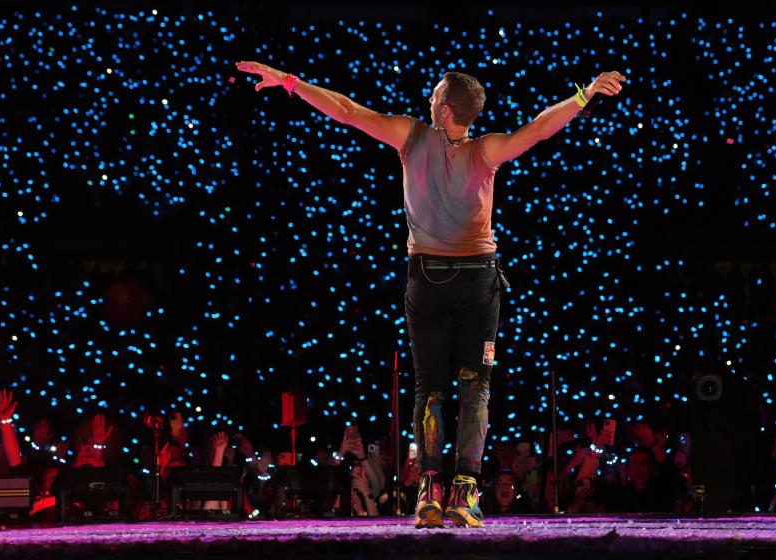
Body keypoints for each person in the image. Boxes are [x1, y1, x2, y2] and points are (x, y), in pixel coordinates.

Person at [237, 60, 626, 528]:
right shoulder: (487, 149)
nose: (428, 99)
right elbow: (540, 128)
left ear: (443, 109)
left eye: (434, 95)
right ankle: (464, 491)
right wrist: (582, 97)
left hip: (428, 280)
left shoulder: (411, 136)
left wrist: (292, 83)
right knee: (474, 388)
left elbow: (346, 110)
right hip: (477, 284)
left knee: (431, 392)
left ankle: (432, 490)